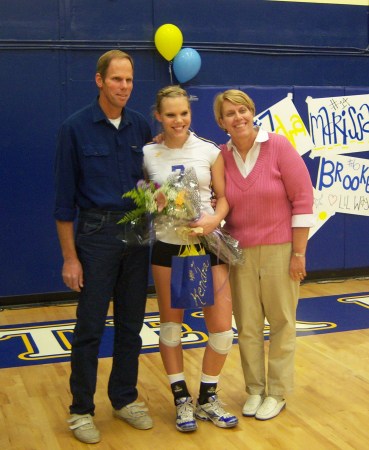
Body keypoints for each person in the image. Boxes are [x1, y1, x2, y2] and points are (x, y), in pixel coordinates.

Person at [54, 50, 153, 444]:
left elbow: (154, 184)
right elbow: (64, 202)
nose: (124, 87)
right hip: (95, 238)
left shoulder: (141, 127)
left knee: (131, 326)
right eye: (116, 79)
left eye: (128, 80)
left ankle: (124, 398)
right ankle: (80, 410)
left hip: (137, 236)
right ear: (99, 81)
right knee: (90, 327)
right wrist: (69, 257)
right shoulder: (74, 128)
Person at [213, 89, 314, 421]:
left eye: (243, 110)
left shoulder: (279, 146)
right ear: (221, 122)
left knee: (283, 322)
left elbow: (303, 200)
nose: (238, 117)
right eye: (229, 114)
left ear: (252, 111)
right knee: (248, 325)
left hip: (280, 250)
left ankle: (278, 392)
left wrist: (298, 253)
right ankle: (255, 390)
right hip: (239, 253)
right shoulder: (221, 157)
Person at [143, 85, 238, 432]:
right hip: (168, 248)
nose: (178, 120)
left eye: (183, 113)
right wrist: (154, 202)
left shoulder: (210, 152)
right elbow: (143, 198)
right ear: (159, 116)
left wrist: (214, 219)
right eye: (170, 115)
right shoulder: (149, 153)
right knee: (170, 327)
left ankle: (208, 398)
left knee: (222, 330)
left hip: (209, 246)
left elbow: (225, 198)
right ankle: (181, 398)